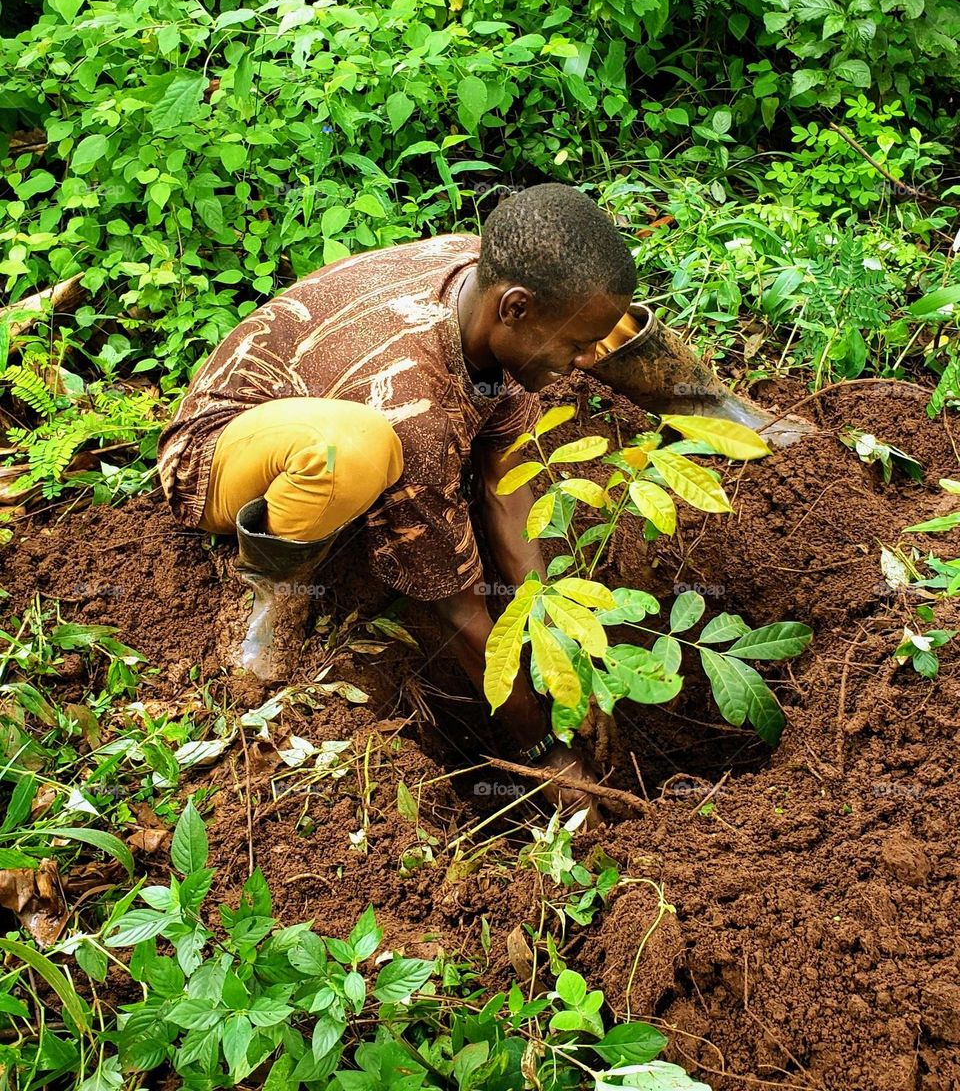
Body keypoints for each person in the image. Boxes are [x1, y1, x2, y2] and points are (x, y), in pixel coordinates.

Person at [157, 182, 808, 801]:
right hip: (222, 451)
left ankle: (718, 408)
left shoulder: (494, 284)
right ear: (515, 307)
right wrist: (541, 748)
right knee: (355, 450)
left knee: (590, 313)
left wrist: (560, 647)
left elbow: (507, 489)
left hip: (349, 395)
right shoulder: (415, 409)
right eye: (574, 350)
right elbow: (461, 610)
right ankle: (271, 604)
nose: (585, 366)